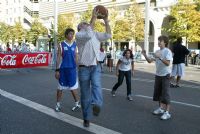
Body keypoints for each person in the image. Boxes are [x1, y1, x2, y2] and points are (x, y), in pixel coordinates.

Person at [75, 8, 111, 127]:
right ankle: (86, 117)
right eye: (84, 23)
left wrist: (106, 21)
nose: (86, 24)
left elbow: (108, 34)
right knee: (85, 95)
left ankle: (97, 105)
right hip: (83, 68)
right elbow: (88, 33)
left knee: (96, 85)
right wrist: (93, 17)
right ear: (80, 27)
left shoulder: (95, 34)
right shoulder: (79, 35)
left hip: (95, 66)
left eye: (87, 23)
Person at [142, 35, 173, 120]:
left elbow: (167, 63)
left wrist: (159, 57)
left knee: (165, 93)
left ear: (165, 42)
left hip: (166, 75)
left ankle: (167, 112)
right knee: (158, 92)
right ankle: (161, 108)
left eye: (160, 41)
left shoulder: (167, 51)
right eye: (158, 40)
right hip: (158, 75)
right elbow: (149, 61)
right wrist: (145, 55)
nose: (159, 42)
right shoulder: (157, 51)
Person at [55, 28, 81, 112]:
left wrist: (79, 68)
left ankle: (77, 103)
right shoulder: (61, 44)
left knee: (73, 88)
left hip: (72, 70)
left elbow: (76, 57)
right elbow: (58, 57)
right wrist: (57, 70)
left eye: (72, 34)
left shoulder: (75, 45)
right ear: (66, 35)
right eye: (70, 34)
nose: (72, 35)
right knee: (60, 88)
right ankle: (58, 104)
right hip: (63, 70)